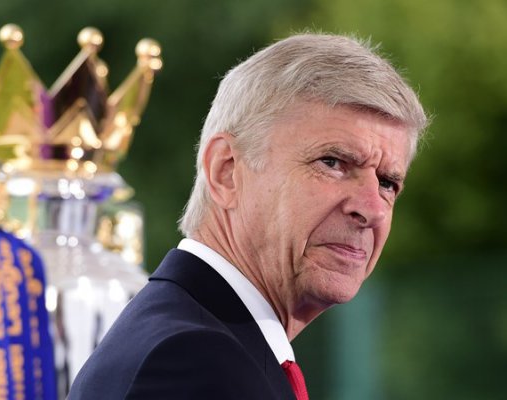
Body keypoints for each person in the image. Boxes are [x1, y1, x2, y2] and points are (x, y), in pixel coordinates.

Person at [68, 33, 428, 399]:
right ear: (226, 171)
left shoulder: (204, 344)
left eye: (387, 183)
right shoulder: (193, 361)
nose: (372, 209)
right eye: (333, 163)